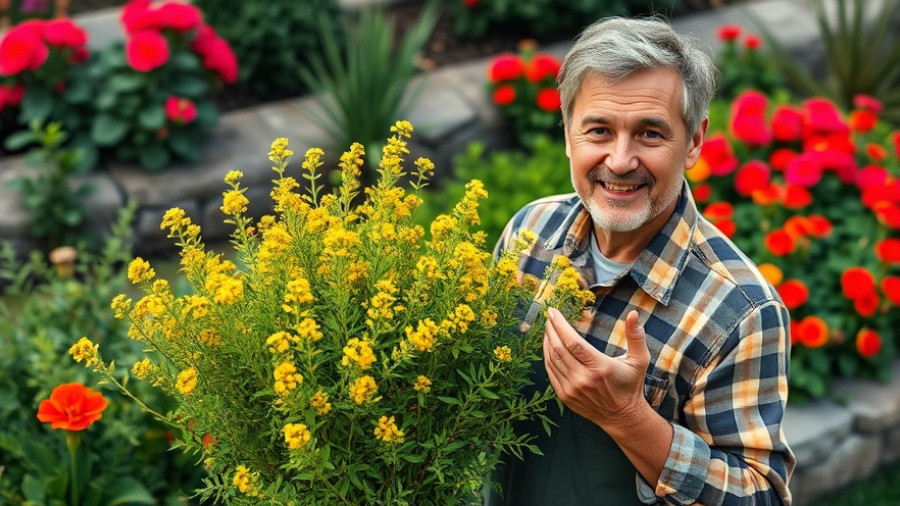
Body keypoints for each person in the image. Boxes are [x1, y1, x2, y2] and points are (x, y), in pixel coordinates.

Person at [488, 16, 795, 506]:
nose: (620, 160)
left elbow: (760, 496)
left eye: (650, 134)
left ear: (693, 141)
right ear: (568, 134)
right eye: (599, 130)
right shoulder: (530, 232)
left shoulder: (741, 313)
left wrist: (627, 416)